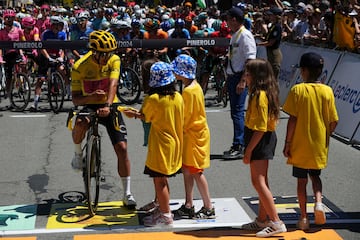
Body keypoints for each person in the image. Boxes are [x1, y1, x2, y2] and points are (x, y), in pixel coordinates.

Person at [70, 30, 136, 209]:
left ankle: (127, 193)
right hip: (89, 103)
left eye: (110, 53)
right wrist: (91, 96)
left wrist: (107, 104)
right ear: (94, 52)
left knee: (122, 148)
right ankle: (78, 154)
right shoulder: (79, 66)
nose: (108, 57)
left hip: (109, 104)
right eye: (104, 54)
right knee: (80, 124)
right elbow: (76, 99)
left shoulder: (114, 60)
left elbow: (113, 83)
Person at [282, 52, 338, 230]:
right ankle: (319, 202)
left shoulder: (298, 90)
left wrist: (287, 143)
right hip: (318, 144)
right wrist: (325, 133)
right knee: (316, 176)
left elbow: (292, 119)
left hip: (299, 144)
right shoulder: (327, 91)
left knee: (301, 181)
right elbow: (334, 120)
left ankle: (304, 218)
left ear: (304, 71)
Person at [127, 61, 184, 227]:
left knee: (159, 180)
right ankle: (163, 208)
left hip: (161, 143)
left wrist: (134, 114)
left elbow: (146, 117)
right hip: (175, 142)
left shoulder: (153, 99)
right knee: (163, 179)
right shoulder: (178, 96)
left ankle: (166, 215)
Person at [240, 59, 287, 238]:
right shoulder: (262, 92)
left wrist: (249, 150)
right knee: (262, 181)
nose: (245, 76)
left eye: (248, 73)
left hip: (259, 139)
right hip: (262, 138)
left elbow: (260, 128)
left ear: (257, 76)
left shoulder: (259, 95)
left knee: (258, 181)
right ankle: (262, 219)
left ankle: (275, 221)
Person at [171, 54, 215, 219]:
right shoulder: (193, 87)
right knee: (188, 169)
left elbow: (186, 116)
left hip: (193, 134)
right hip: (193, 134)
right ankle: (189, 203)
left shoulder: (189, 91)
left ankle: (208, 206)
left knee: (196, 171)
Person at [223, 6, 257, 160]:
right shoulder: (236, 35)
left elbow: (250, 59)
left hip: (239, 77)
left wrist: (243, 80)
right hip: (233, 76)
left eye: (228, 19)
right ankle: (238, 143)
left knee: (237, 112)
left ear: (234, 20)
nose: (226, 23)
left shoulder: (245, 35)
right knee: (234, 112)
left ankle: (239, 144)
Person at [257, 7, 283, 80]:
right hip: (270, 53)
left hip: (274, 53)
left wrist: (258, 44)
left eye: (271, 15)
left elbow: (270, 43)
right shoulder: (272, 26)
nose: (269, 16)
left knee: (274, 77)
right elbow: (267, 39)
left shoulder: (277, 27)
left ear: (276, 16)